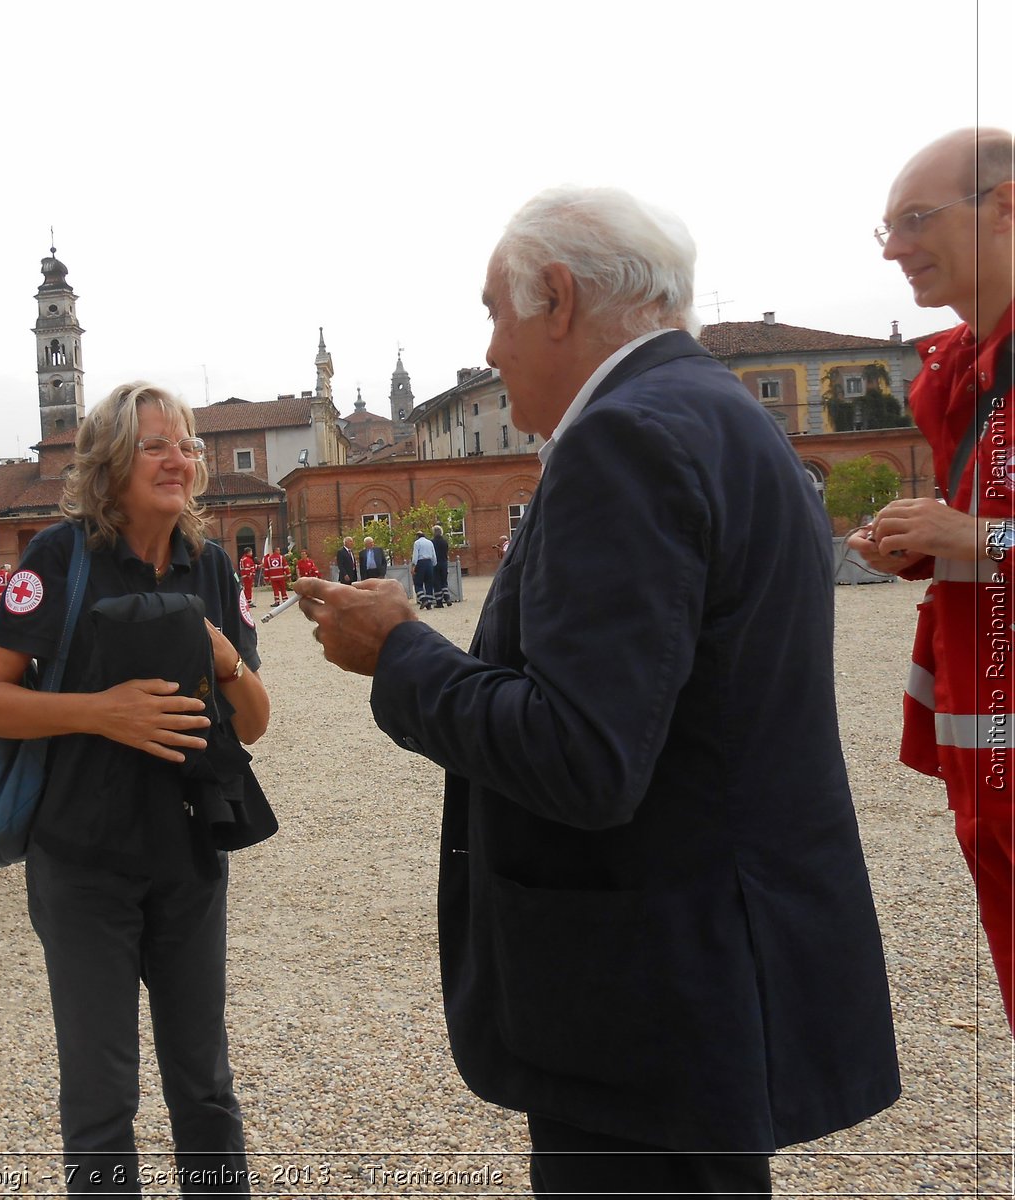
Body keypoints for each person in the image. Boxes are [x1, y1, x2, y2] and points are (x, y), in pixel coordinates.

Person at [294, 185, 899, 1193]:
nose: (490, 351)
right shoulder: (727, 423)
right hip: (711, 962)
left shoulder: (623, 441)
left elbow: (582, 757)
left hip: (644, 991)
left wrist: (399, 651)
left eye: (496, 312)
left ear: (560, 298)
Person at [0, 382, 270, 1197]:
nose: (179, 460)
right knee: (101, 1099)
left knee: (204, 1085)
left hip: (190, 858)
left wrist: (224, 655)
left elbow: (258, 721)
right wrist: (103, 712)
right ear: (110, 463)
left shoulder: (209, 566)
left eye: (188, 445)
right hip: (82, 863)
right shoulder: (60, 560)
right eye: (155, 445)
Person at [847, 127, 1015, 1029]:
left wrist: (979, 533)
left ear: (1007, 206)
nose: (896, 249)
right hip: (987, 766)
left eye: (915, 220)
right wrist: (922, 542)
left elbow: (994, 531)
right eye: (886, 230)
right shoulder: (964, 374)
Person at [411, 529, 436, 609]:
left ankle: (423, 599)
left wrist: (413, 566)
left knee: (418, 583)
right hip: (429, 563)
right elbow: (433, 555)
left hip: (420, 563)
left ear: (417, 536)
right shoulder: (430, 542)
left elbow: (415, 556)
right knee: (429, 583)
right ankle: (429, 603)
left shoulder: (417, 543)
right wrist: (433, 564)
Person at [431, 525, 451, 607]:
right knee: (444, 581)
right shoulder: (445, 542)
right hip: (444, 563)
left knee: (437, 582)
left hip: (435, 564)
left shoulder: (432, 542)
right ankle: (447, 598)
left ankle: (439, 602)